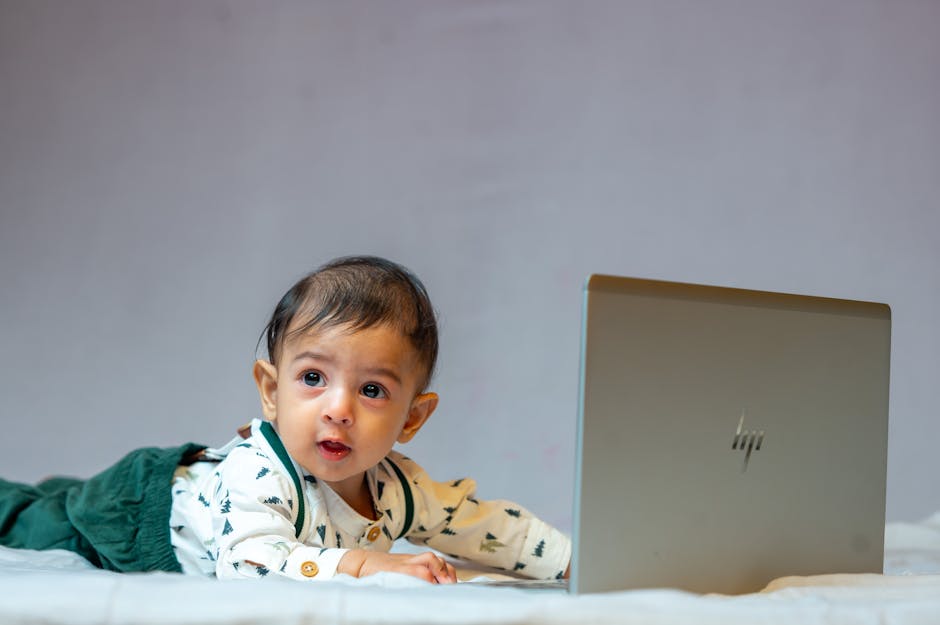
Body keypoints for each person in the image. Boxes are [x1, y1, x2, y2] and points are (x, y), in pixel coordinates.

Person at [0, 256, 571, 584]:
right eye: (314, 379)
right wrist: (363, 565)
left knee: (51, 495)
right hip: (139, 511)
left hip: (196, 486)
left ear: (412, 418)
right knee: (34, 518)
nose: (339, 409)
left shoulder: (400, 489)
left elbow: (483, 526)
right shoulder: (263, 473)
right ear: (271, 391)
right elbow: (251, 560)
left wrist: (576, 561)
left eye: (372, 390)